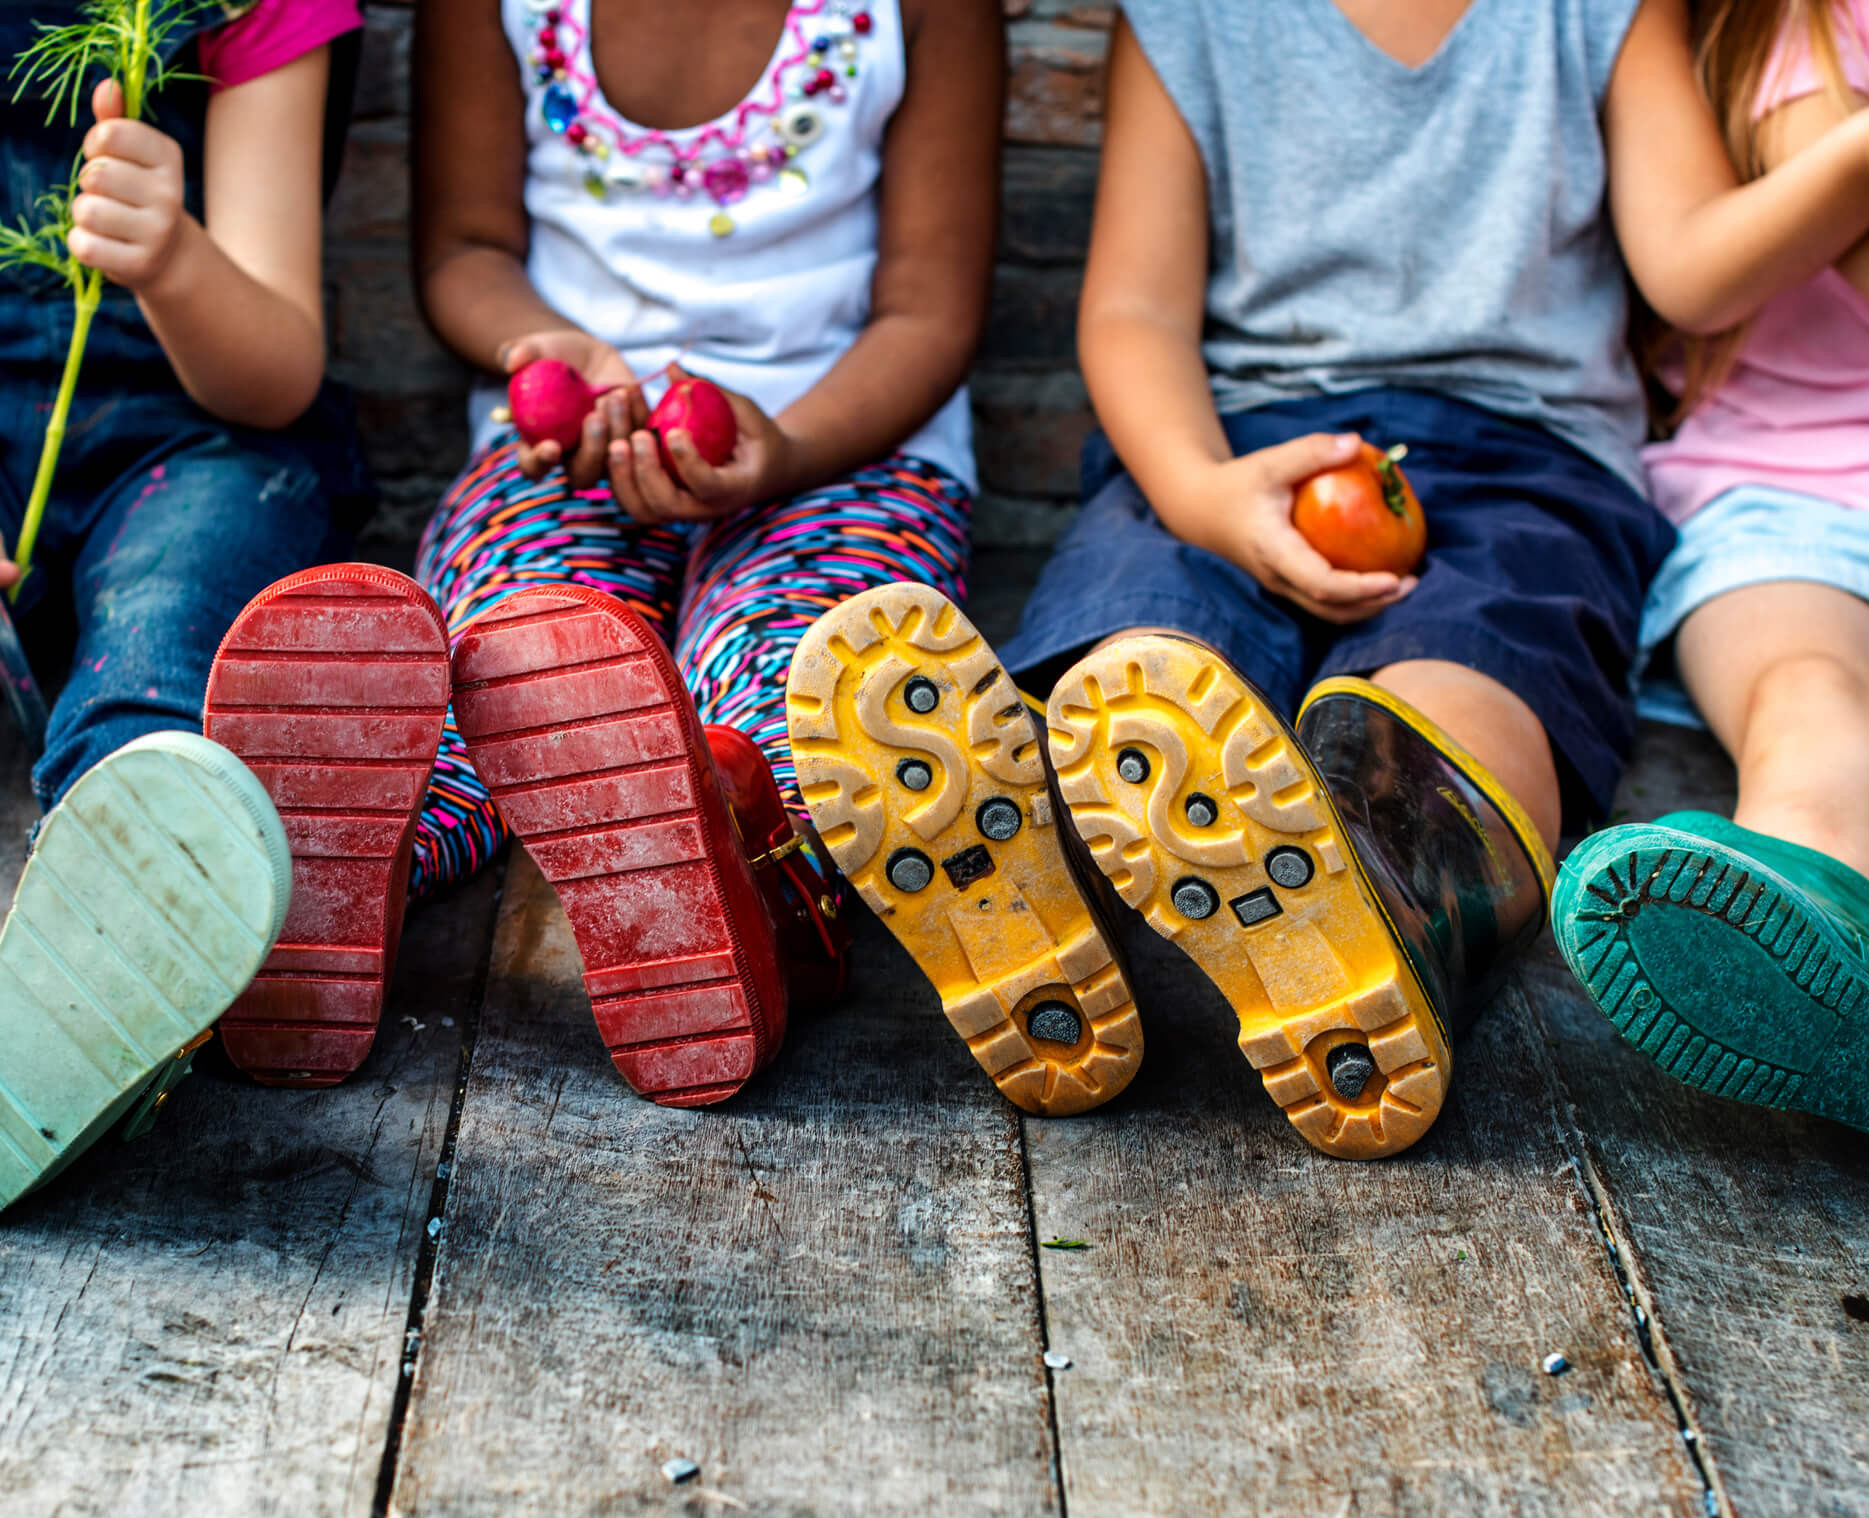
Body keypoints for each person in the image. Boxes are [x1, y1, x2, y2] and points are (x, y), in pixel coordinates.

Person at [798, 0, 1869, 1161]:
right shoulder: (1190, 18)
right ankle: (1028, 873)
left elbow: (1690, 268)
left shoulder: (1604, 10)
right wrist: (1202, 491)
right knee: (1140, 645)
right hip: (1236, 442)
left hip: (1524, 459)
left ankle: (1384, 887)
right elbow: (1133, 312)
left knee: (1472, 674)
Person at [215, 0, 1056, 1112]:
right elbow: (466, 250)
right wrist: (543, 351)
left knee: (799, 670)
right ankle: (334, 871)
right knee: (510, 659)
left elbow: (928, 314)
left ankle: (744, 855)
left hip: (840, 447)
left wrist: (790, 449)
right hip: (563, 445)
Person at [0, 0, 371, 1209]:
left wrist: (172, 257)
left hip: (196, 440)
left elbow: (272, 373)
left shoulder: (251, 9)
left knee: (176, 616)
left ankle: (115, 919)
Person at [1555, 0, 1869, 1136]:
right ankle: (1806, 928)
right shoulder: (1793, 38)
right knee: (1802, 691)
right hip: (1777, 492)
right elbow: (1693, 277)